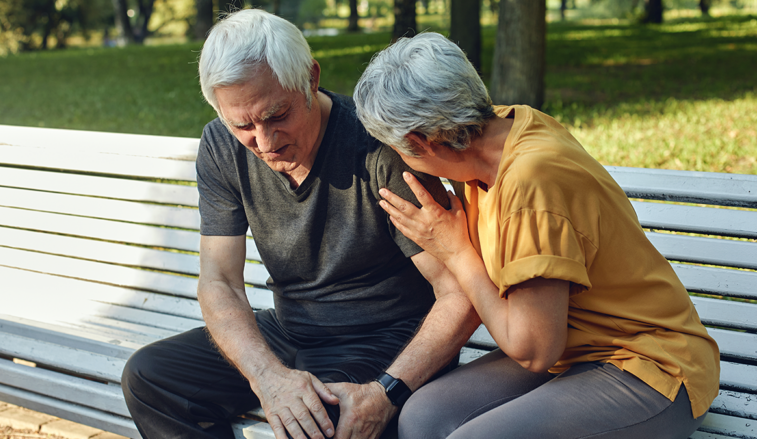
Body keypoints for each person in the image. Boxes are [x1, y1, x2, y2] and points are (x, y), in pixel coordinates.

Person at [120, 11, 480, 439]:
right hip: (291, 332)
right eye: (243, 125)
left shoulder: (379, 150)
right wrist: (268, 377)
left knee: (315, 423)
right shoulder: (220, 147)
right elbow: (219, 280)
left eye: (278, 115)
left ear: (310, 78)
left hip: (385, 340)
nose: (266, 142)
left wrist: (386, 391)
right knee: (150, 378)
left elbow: (458, 293)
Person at [353, 32, 720, 439]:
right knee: (422, 416)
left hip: (647, 367)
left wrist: (455, 252)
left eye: (397, 149)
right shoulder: (505, 125)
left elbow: (533, 350)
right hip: (572, 353)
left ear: (420, 141)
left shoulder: (531, 182)